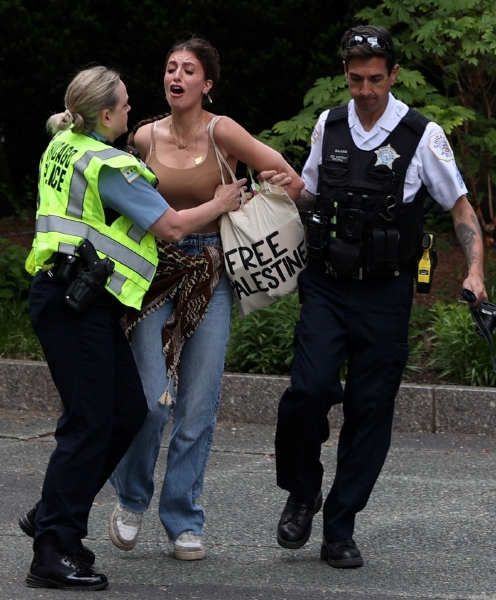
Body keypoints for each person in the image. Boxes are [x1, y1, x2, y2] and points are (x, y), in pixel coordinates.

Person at [20, 65, 245, 591]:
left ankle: (55, 508)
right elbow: (170, 224)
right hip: (75, 304)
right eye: (122, 104)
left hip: (78, 300)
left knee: (125, 411)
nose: (130, 110)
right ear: (104, 115)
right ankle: (53, 549)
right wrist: (221, 202)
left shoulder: (65, 143)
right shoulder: (110, 165)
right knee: (90, 422)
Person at [274, 25, 487, 569]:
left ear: (393, 75)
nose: (364, 89)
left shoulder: (422, 134)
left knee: (371, 408)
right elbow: (310, 192)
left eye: (374, 78)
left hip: (385, 293)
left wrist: (476, 271)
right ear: (345, 75)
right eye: (354, 78)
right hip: (325, 284)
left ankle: (339, 527)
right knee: (308, 389)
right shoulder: (330, 123)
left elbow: (461, 209)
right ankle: (303, 491)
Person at [107, 35, 303, 561]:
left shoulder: (224, 131)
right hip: (152, 273)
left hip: (213, 274)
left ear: (207, 84)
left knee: (197, 405)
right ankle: (130, 500)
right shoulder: (143, 137)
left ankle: (183, 519)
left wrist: (263, 188)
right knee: (150, 401)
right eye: (170, 67)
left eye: (188, 70)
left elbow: (288, 174)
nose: (176, 76)